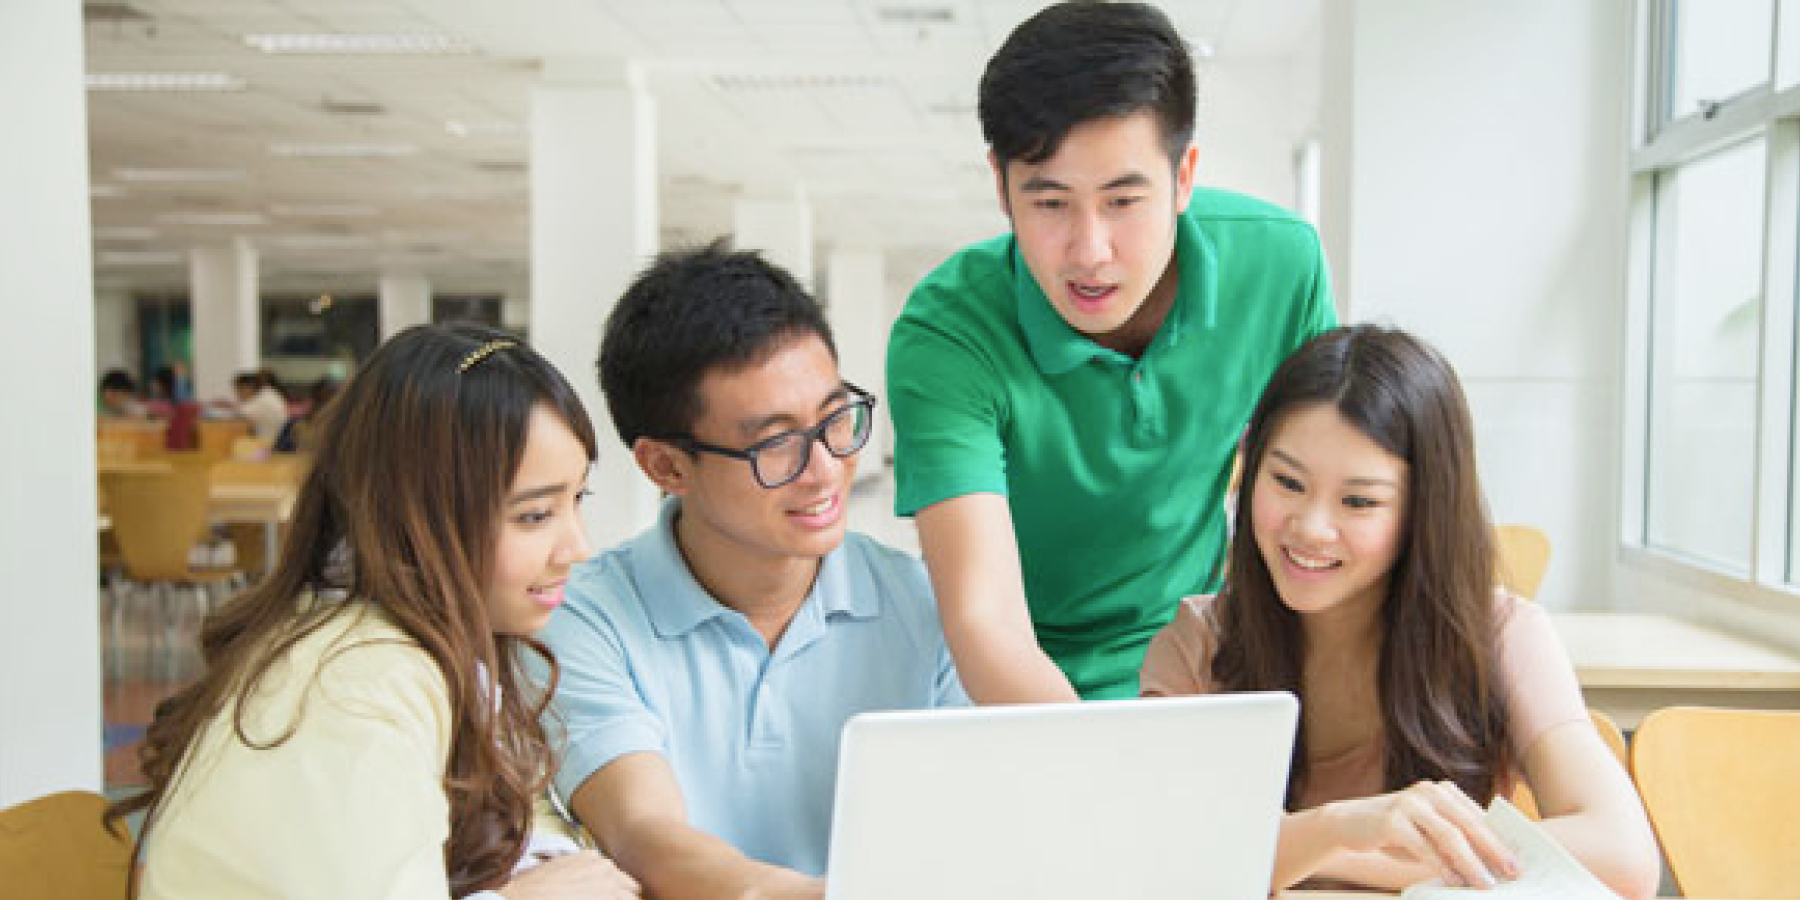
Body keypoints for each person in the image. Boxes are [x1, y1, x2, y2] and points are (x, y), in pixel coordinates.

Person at [885, 1, 1338, 703]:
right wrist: (1107, 775)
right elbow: (985, 621)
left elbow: (1331, 482)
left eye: (1124, 201)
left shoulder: (1281, 263)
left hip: (1209, 656)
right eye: (1050, 203)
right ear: (1001, 187)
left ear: (1184, 176)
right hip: (1017, 683)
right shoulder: (947, 330)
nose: (1090, 252)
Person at [108, 324, 641, 900]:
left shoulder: (388, 639)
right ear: (419, 518)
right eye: (534, 516)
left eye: (576, 499)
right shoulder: (361, 681)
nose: (578, 547)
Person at [1140, 325, 1660, 897]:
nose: (1311, 527)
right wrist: (1334, 829)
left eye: (1359, 501)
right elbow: (1161, 861)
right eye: (1287, 482)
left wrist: (1333, 851)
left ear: (1424, 511)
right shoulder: (1198, 642)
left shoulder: (1505, 635)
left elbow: (1623, 857)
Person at [536, 244, 966, 900]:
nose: (824, 468)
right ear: (666, 467)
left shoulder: (926, 603)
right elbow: (641, 834)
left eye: (834, 419)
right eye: (776, 444)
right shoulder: (582, 620)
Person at [231, 370, 290, 440]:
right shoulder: (268, 393)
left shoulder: (262, 398)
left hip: (269, 442)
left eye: (237, 390)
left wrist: (234, 406)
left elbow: (242, 417)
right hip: (275, 438)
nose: (237, 394)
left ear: (247, 388)